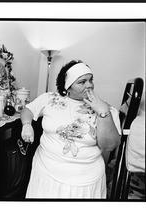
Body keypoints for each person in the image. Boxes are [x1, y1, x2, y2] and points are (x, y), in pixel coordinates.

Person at [21, 60, 121, 199]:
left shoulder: (108, 110)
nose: (89, 85)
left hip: (86, 180)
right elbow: (28, 110)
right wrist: (27, 124)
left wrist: (103, 113)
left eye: (91, 80)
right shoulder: (50, 99)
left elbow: (110, 146)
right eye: (82, 82)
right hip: (46, 172)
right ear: (68, 86)